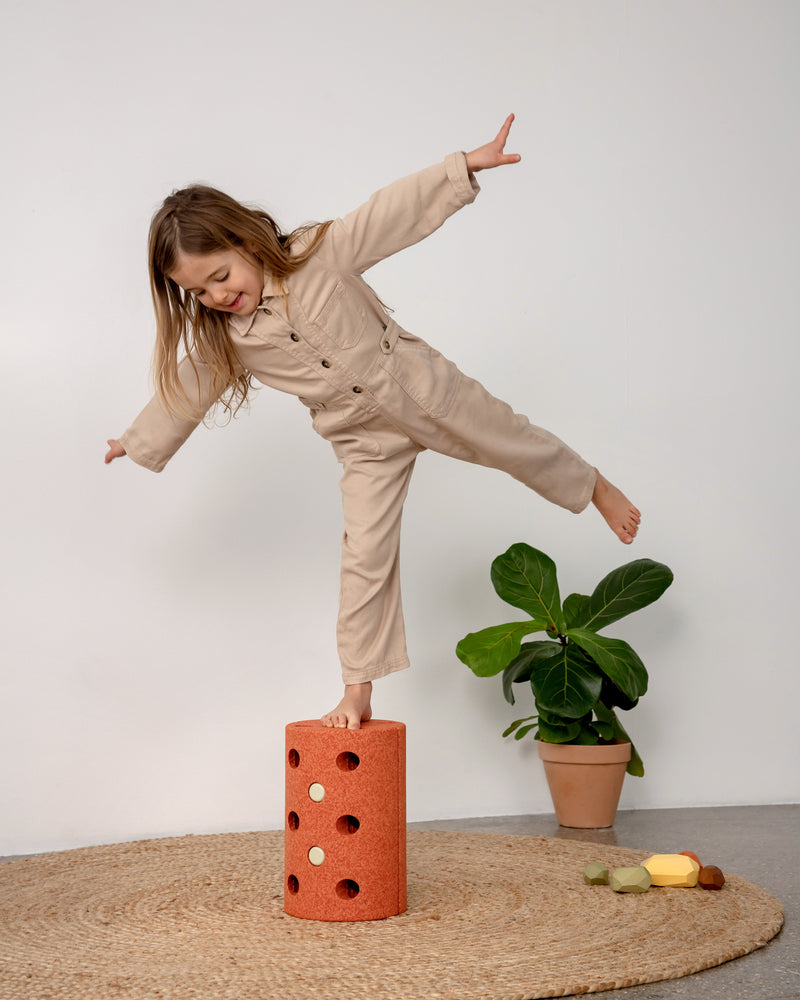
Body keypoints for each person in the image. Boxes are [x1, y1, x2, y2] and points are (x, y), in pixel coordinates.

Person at [105, 114, 640, 730]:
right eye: (199, 293)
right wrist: (137, 440)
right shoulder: (230, 339)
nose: (217, 297)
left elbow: (387, 213)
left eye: (220, 276)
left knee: (511, 440)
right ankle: (357, 690)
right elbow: (189, 386)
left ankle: (592, 485)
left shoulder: (318, 255)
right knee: (364, 556)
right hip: (362, 440)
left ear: (244, 241)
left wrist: (461, 168)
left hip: (422, 388)